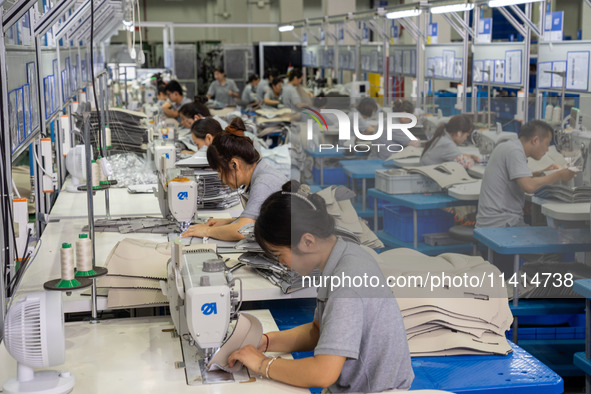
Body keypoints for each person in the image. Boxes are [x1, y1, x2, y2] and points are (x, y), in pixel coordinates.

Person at [227, 181, 414, 393]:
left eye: (279, 255)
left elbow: (323, 373)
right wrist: (265, 342)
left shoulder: (347, 284)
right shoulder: (343, 255)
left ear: (307, 242)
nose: (280, 264)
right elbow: (318, 331)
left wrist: (262, 364)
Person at [182, 118, 287, 241]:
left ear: (234, 164)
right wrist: (229, 222)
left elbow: (242, 231)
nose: (219, 177)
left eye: (220, 171)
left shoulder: (263, 183)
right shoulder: (259, 175)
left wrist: (207, 231)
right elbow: (257, 221)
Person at [476, 120, 576, 228]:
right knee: (555, 237)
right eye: (547, 144)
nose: (547, 149)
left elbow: (518, 177)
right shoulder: (514, 151)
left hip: (492, 221)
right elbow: (529, 186)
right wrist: (559, 175)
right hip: (501, 224)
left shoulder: (508, 146)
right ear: (535, 140)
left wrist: (542, 172)